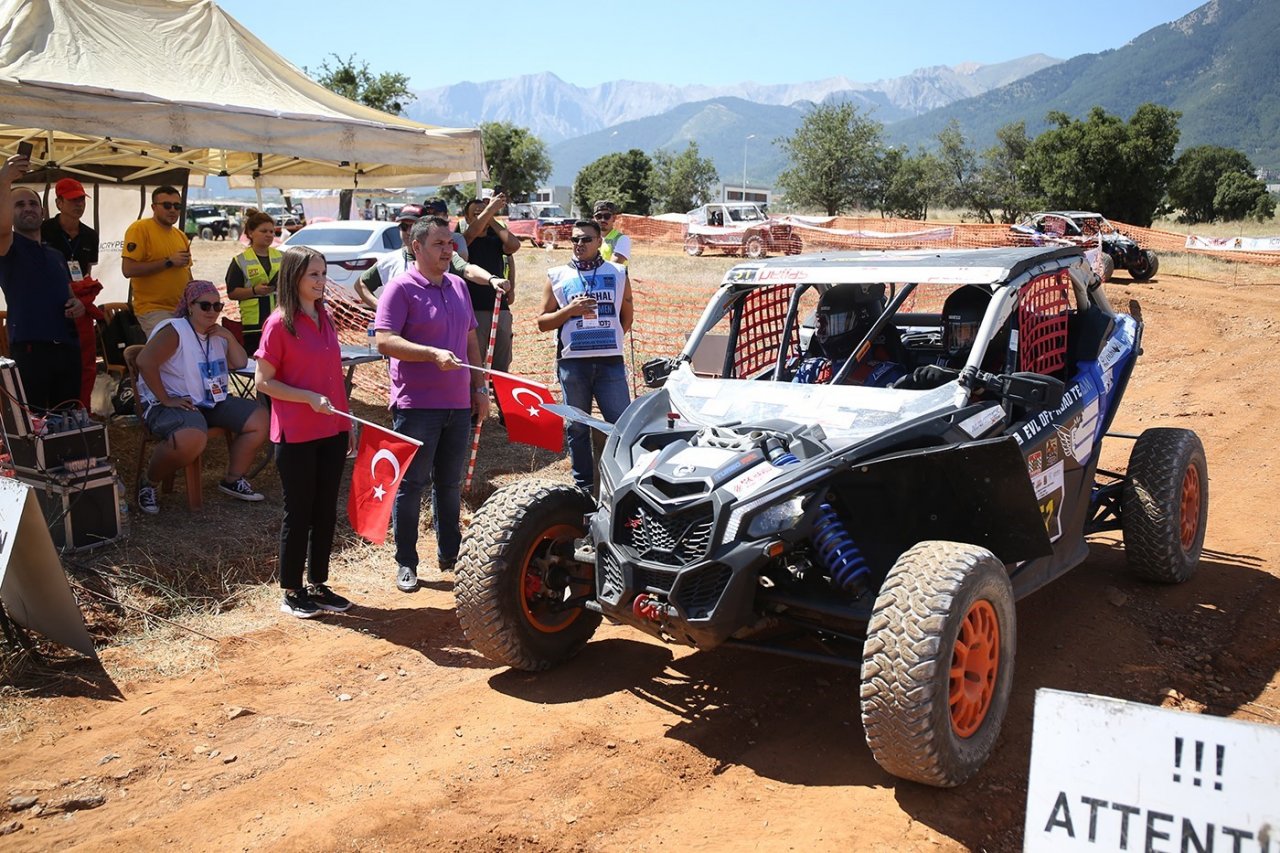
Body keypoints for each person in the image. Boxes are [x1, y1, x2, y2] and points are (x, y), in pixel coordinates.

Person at [374, 218, 489, 593]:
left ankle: (450, 554)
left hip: (458, 404)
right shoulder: (400, 288)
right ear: (417, 247)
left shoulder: (458, 285)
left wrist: (479, 388)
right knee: (411, 484)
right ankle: (406, 561)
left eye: (450, 243)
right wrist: (430, 354)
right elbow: (384, 341)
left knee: (449, 484)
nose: (447, 250)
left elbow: (470, 340)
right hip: (417, 406)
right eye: (439, 243)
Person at [254, 246, 353, 619]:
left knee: (325, 510)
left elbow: (334, 377)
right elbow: (263, 382)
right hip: (296, 433)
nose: (321, 281)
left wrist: (347, 421)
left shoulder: (325, 317)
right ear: (293, 276)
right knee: (299, 512)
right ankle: (292, 589)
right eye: (314, 274)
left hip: (332, 429)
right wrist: (307, 398)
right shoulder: (279, 323)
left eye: (323, 273)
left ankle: (318, 584)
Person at [134, 280, 269, 515]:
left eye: (217, 306)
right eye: (205, 306)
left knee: (260, 419)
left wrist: (228, 336)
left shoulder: (216, 333)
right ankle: (148, 482)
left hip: (210, 400)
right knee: (191, 439)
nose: (212, 311)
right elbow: (145, 362)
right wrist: (166, 399)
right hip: (174, 402)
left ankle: (232, 479)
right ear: (190, 306)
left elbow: (239, 362)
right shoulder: (175, 330)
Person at [537, 219, 633, 492]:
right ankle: (583, 486)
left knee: (620, 425)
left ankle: (621, 483)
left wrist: (608, 339)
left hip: (610, 362)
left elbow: (626, 317)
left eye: (586, 239)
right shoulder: (557, 275)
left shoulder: (618, 272)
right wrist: (570, 311)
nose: (579, 244)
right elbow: (542, 322)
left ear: (599, 242)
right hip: (572, 364)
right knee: (577, 427)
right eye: (575, 239)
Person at [0, 154, 85, 411]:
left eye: (33, 204)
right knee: (35, 420)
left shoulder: (55, 254)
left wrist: (78, 305)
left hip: (67, 347)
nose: (28, 208)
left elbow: (69, 294)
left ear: (43, 211)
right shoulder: (8, 247)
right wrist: (4, 181)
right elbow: (2, 228)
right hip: (31, 347)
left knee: (67, 419)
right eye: (19, 205)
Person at [355, 207, 511, 312]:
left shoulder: (446, 257)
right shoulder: (389, 261)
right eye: (403, 226)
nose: (408, 231)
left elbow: (468, 269)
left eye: (413, 225)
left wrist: (491, 279)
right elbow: (361, 284)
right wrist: (381, 307)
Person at [41, 178, 103, 407]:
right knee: (53, 360)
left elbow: (87, 271)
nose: (79, 204)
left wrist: (82, 296)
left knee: (85, 361)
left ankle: (81, 408)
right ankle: (51, 410)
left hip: (79, 303)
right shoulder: (43, 230)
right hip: (49, 304)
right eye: (73, 200)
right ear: (59, 203)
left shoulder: (90, 235)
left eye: (81, 200)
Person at [792, 283, 905, 387]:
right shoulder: (812, 369)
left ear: (863, 323)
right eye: (821, 323)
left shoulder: (884, 375)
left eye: (837, 323)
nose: (823, 332)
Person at [459, 194, 520, 373]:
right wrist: (489, 210)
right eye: (476, 214)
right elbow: (471, 233)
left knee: (502, 360)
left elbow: (514, 246)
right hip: (474, 308)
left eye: (484, 212)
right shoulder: (463, 241)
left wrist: (490, 217)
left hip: (499, 307)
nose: (482, 216)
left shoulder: (495, 240)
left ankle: (499, 388)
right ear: (466, 218)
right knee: (475, 361)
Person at [122, 185, 193, 336]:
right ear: (153, 207)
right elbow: (128, 269)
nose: (172, 210)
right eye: (167, 205)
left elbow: (187, 273)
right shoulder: (140, 229)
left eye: (177, 206)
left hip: (182, 309)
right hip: (154, 309)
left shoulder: (180, 235)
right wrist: (168, 262)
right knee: (169, 346)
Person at [224, 208, 280, 351]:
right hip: (253, 325)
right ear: (250, 233)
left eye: (271, 231)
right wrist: (254, 291)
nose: (269, 235)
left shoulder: (282, 257)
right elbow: (232, 293)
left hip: (279, 320)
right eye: (263, 231)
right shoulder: (240, 260)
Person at [593, 200, 631, 266]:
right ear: (594, 218)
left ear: (614, 218)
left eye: (607, 216)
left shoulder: (622, 239)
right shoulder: (590, 238)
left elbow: (613, 266)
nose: (602, 220)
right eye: (599, 216)